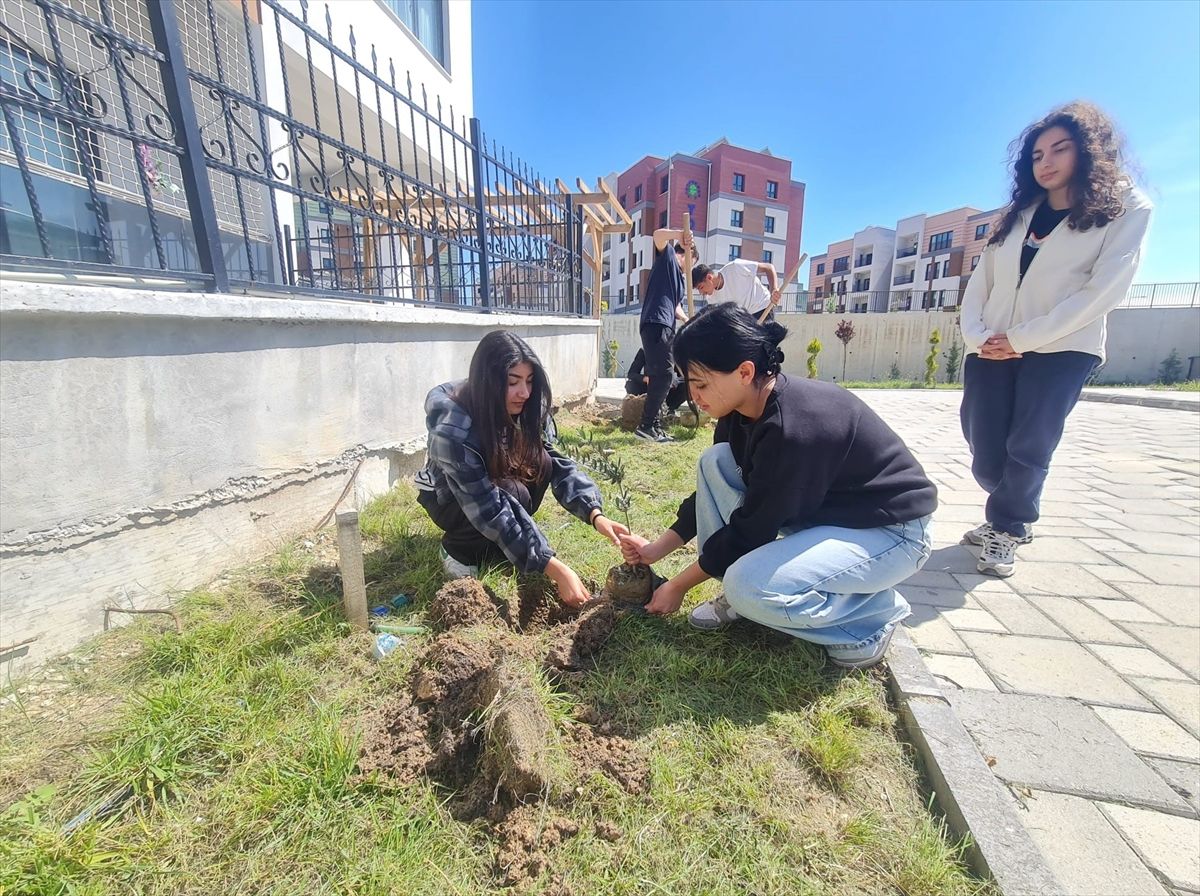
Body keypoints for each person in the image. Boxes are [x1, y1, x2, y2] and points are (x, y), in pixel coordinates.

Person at [618, 304, 937, 669]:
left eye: (701, 383)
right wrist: (656, 549)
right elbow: (718, 498)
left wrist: (677, 586)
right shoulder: (738, 410)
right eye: (689, 382)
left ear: (744, 371)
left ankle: (869, 619)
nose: (693, 396)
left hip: (892, 534)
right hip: (830, 514)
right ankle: (756, 591)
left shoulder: (793, 428)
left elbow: (751, 530)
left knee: (746, 587)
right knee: (716, 463)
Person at [959, 101, 1153, 578]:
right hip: (992, 346)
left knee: (1030, 442)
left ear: (1088, 152)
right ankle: (1008, 504)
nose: (1045, 162)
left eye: (1059, 150)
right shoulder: (1019, 214)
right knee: (984, 447)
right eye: (1037, 154)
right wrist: (979, 335)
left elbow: (1102, 290)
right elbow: (980, 282)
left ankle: (1008, 524)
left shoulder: (1126, 207)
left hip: (1063, 347)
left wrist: (1023, 338)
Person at [415, 330, 629, 607]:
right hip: (450, 497)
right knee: (511, 494)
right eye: (512, 382)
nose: (524, 393)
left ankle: (500, 545)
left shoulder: (526, 406)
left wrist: (595, 514)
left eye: (529, 381)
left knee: (538, 467)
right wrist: (554, 567)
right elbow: (486, 505)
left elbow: (558, 463)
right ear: (487, 382)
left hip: (495, 481)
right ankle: (458, 551)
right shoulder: (454, 431)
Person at [636, 229, 696, 443]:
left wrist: (688, 319)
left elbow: (676, 306)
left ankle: (653, 425)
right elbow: (657, 236)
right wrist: (680, 234)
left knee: (661, 376)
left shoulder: (678, 280)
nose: (691, 268)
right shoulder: (668, 256)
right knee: (665, 374)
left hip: (664, 325)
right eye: (691, 262)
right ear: (686, 255)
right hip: (656, 322)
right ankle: (646, 425)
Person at [693, 257, 781, 319]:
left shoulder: (736, 267)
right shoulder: (711, 299)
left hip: (763, 307)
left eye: (701, 287)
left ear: (709, 278)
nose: (701, 293)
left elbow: (768, 268)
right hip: (746, 319)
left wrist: (774, 290)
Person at [624, 347, 690, 415]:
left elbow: (683, 375)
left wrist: (674, 380)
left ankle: (670, 409)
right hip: (649, 388)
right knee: (630, 384)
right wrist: (645, 378)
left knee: (688, 385)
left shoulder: (675, 352)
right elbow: (631, 373)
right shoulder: (644, 351)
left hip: (668, 389)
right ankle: (644, 407)